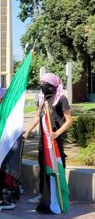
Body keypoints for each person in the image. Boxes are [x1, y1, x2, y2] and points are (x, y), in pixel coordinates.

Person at [23, 73, 72, 210]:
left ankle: (59, 195)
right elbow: (37, 118)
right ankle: (43, 194)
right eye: (40, 83)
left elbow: (69, 120)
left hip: (56, 142)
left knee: (57, 167)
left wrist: (57, 133)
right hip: (43, 141)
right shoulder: (41, 99)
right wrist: (27, 131)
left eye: (44, 83)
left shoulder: (61, 99)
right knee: (43, 167)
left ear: (51, 85)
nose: (41, 86)